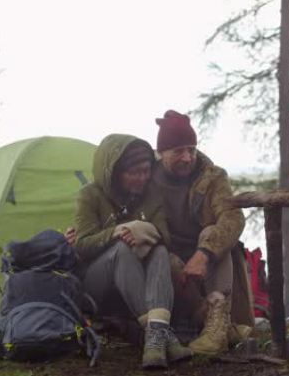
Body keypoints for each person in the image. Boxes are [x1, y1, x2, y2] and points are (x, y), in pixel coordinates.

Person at [73, 134, 192, 369]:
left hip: (137, 284)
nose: (142, 178)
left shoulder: (151, 193)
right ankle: (163, 335)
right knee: (121, 249)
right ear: (115, 173)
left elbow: (164, 237)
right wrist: (117, 231)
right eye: (134, 173)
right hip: (98, 284)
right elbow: (82, 245)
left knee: (158, 252)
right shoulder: (90, 195)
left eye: (146, 171)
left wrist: (146, 230)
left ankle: (155, 340)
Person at [151, 110, 254, 356]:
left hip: (209, 260)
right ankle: (214, 325)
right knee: (163, 257)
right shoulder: (147, 179)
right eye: (178, 151)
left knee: (212, 232)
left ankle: (217, 327)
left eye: (192, 150)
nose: (187, 158)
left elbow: (232, 216)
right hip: (170, 260)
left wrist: (204, 253)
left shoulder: (212, 176)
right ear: (161, 152)